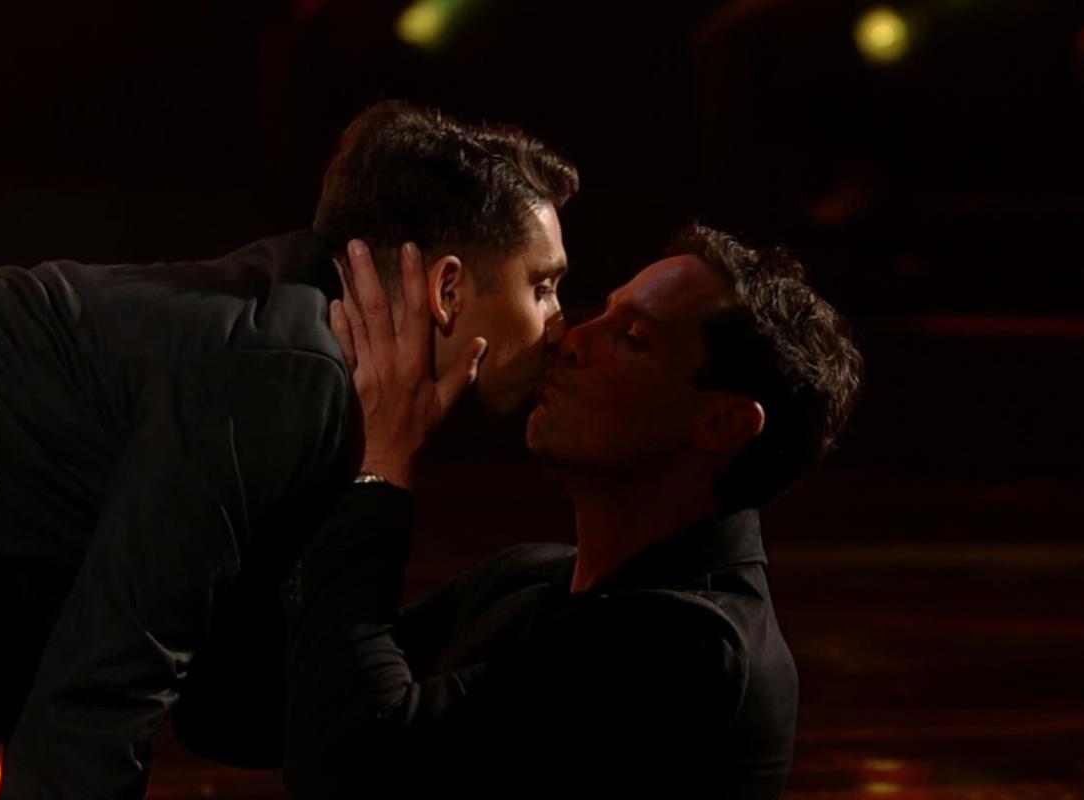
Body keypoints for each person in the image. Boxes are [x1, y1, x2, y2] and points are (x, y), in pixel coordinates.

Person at [0, 100, 576, 799]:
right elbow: (103, 695)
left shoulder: (317, 379)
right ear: (448, 288)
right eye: (542, 285)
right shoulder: (289, 375)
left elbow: (224, 706)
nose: (561, 322)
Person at [281, 223, 862, 798]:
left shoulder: (691, 647)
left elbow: (353, 767)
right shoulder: (527, 578)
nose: (569, 338)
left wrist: (382, 461)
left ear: (720, 423)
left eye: (631, 337)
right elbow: (277, 705)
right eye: (604, 311)